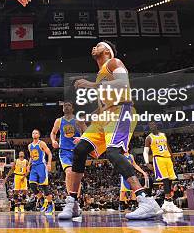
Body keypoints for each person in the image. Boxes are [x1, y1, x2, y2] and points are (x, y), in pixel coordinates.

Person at [59, 41, 161, 220]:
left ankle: (146, 200)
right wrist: (87, 119)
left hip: (121, 111)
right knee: (80, 149)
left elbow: (123, 83)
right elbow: (103, 106)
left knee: (114, 153)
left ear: (106, 50)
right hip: (104, 116)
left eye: (98, 45)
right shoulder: (100, 75)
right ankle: (73, 203)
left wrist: (90, 86)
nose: (94, 47)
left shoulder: (114, 62)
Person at [50, 101, 86, 211]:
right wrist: (53, 141)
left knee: (76, 177)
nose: (66, 107)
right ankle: (71, 199)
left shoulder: (78, 120)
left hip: (77, 151)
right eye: (64, 105)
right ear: (62, 109)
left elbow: (87, 132)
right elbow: (53, 133)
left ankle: (76, 201)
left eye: (68, 105)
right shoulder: (59, 121)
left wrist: (81, 138)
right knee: (69, 172)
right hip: (64, 151)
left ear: (73, 108)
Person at [144, 122, 183, 213]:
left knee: (170, 180)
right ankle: (170, 203)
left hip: (167, 158)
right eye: (150, 125)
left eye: (154, 124)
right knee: (165, 180)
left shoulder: (163, 135)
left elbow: (167, 146)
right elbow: (145, 152)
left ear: (157, 126)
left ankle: (166, 203)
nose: (152, 126)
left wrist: (172, 157)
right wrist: (147, 163)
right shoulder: (149, 138)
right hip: (158, 159)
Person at [27, 129, 54, 215]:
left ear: (39, 135)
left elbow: (49, 153)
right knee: (32, 185)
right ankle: (42, 200)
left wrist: (49, 164)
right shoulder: (29, 146)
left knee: (44, 187)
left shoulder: (41, 143)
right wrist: (28, 165)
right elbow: (31, 156)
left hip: (41, 166)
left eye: (36, 133)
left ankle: (50, 205)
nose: (34, 134)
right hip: (34, 167)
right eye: (33, 133)